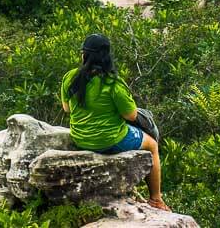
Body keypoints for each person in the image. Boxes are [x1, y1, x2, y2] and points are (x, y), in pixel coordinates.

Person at [61, 34, 170, 212]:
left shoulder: (70, 77)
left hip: (80, 138)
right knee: (152, 145)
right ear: (106, 56)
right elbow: (131, 115)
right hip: (110, 140)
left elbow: (66, 108)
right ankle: (156, 199)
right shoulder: (112, 83)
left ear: (84, 55)